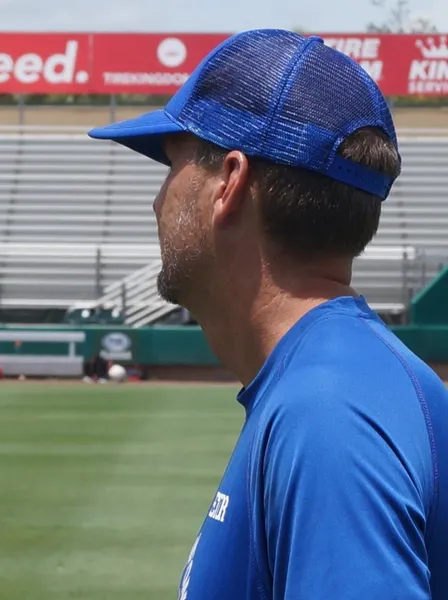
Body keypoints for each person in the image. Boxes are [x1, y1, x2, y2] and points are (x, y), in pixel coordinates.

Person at [90, 28, 448, 599]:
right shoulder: (338, 384)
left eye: (171, 165)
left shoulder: (327, 414)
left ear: (229, 182)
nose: (156, 200)